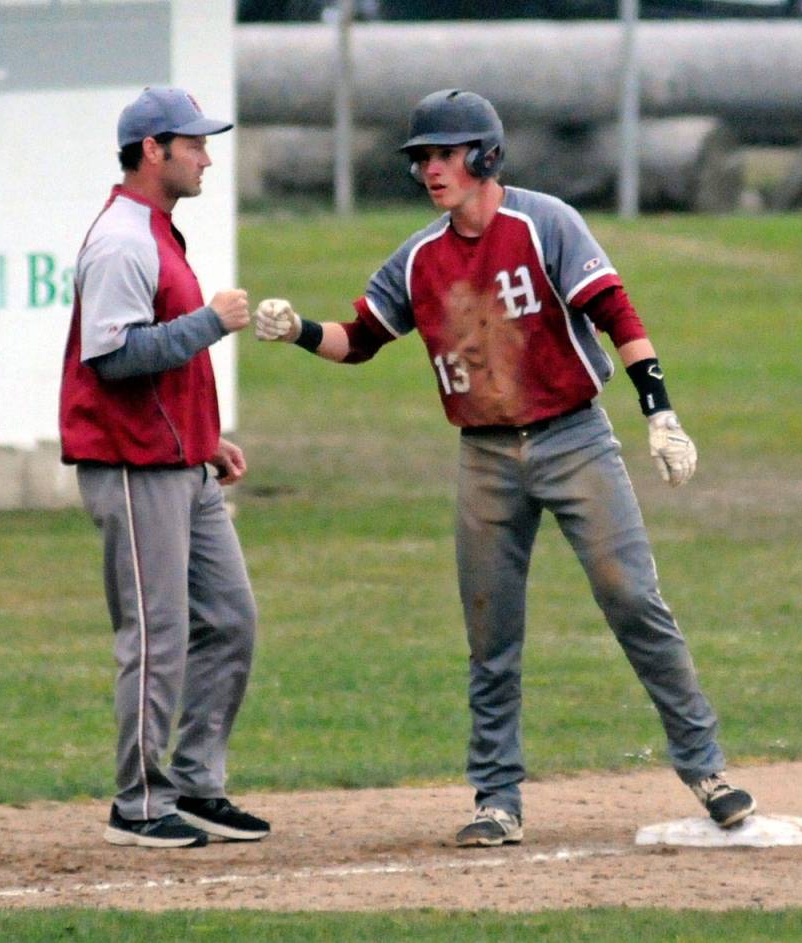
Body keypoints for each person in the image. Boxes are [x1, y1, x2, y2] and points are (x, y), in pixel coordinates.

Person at [252, 89, 756, 847]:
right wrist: (298, 331)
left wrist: (661, 411)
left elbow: (616, 309)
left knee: (633, 600)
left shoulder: (545, 221)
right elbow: (360, 339)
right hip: (485, 454)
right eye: (421, 156)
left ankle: (706, 767)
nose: (429, 168)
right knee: (491, 630)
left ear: (484, 155)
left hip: (574, 437)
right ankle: (497, 797)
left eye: (443, 153)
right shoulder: (419, 257)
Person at [59, 86, 269, 848]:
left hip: (180, 463)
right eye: (195, 142)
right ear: (154, 149)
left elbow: (156, 366)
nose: (208, 154)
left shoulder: (156, 229)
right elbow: (113, 358)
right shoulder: (122, 239)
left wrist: (203, 437)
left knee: (230, 620)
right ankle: (139, 802)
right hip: (129, 465)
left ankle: (195, 781)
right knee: (156, 635)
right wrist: (211, 321)